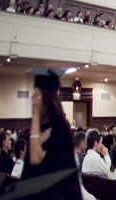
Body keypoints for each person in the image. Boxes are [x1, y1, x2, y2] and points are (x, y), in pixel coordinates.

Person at [23, 68, 84, 199]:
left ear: (47, 99)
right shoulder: (40, 127)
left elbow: (36, 158)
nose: (34, 100)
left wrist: (35, 115)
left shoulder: (60, 129)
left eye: (37, 95)